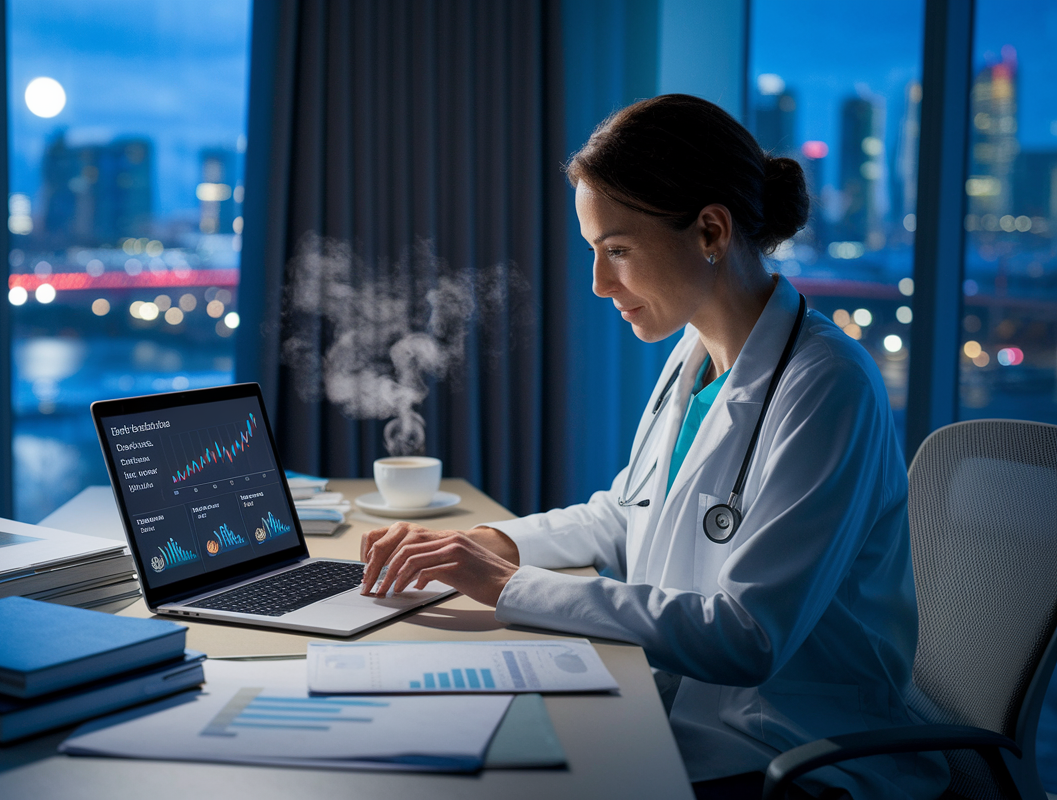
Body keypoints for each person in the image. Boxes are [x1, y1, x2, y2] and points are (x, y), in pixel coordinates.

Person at [358, 94, 949, 800]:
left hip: (794, 754)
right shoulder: (695, 350)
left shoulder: (829, 386)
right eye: (594, 253)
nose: (600, 284)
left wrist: (508, 587)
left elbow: (746, 636)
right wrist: (491, 544)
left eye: (618, 251)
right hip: (679, 716)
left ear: (709, 230)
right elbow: (626, 512)